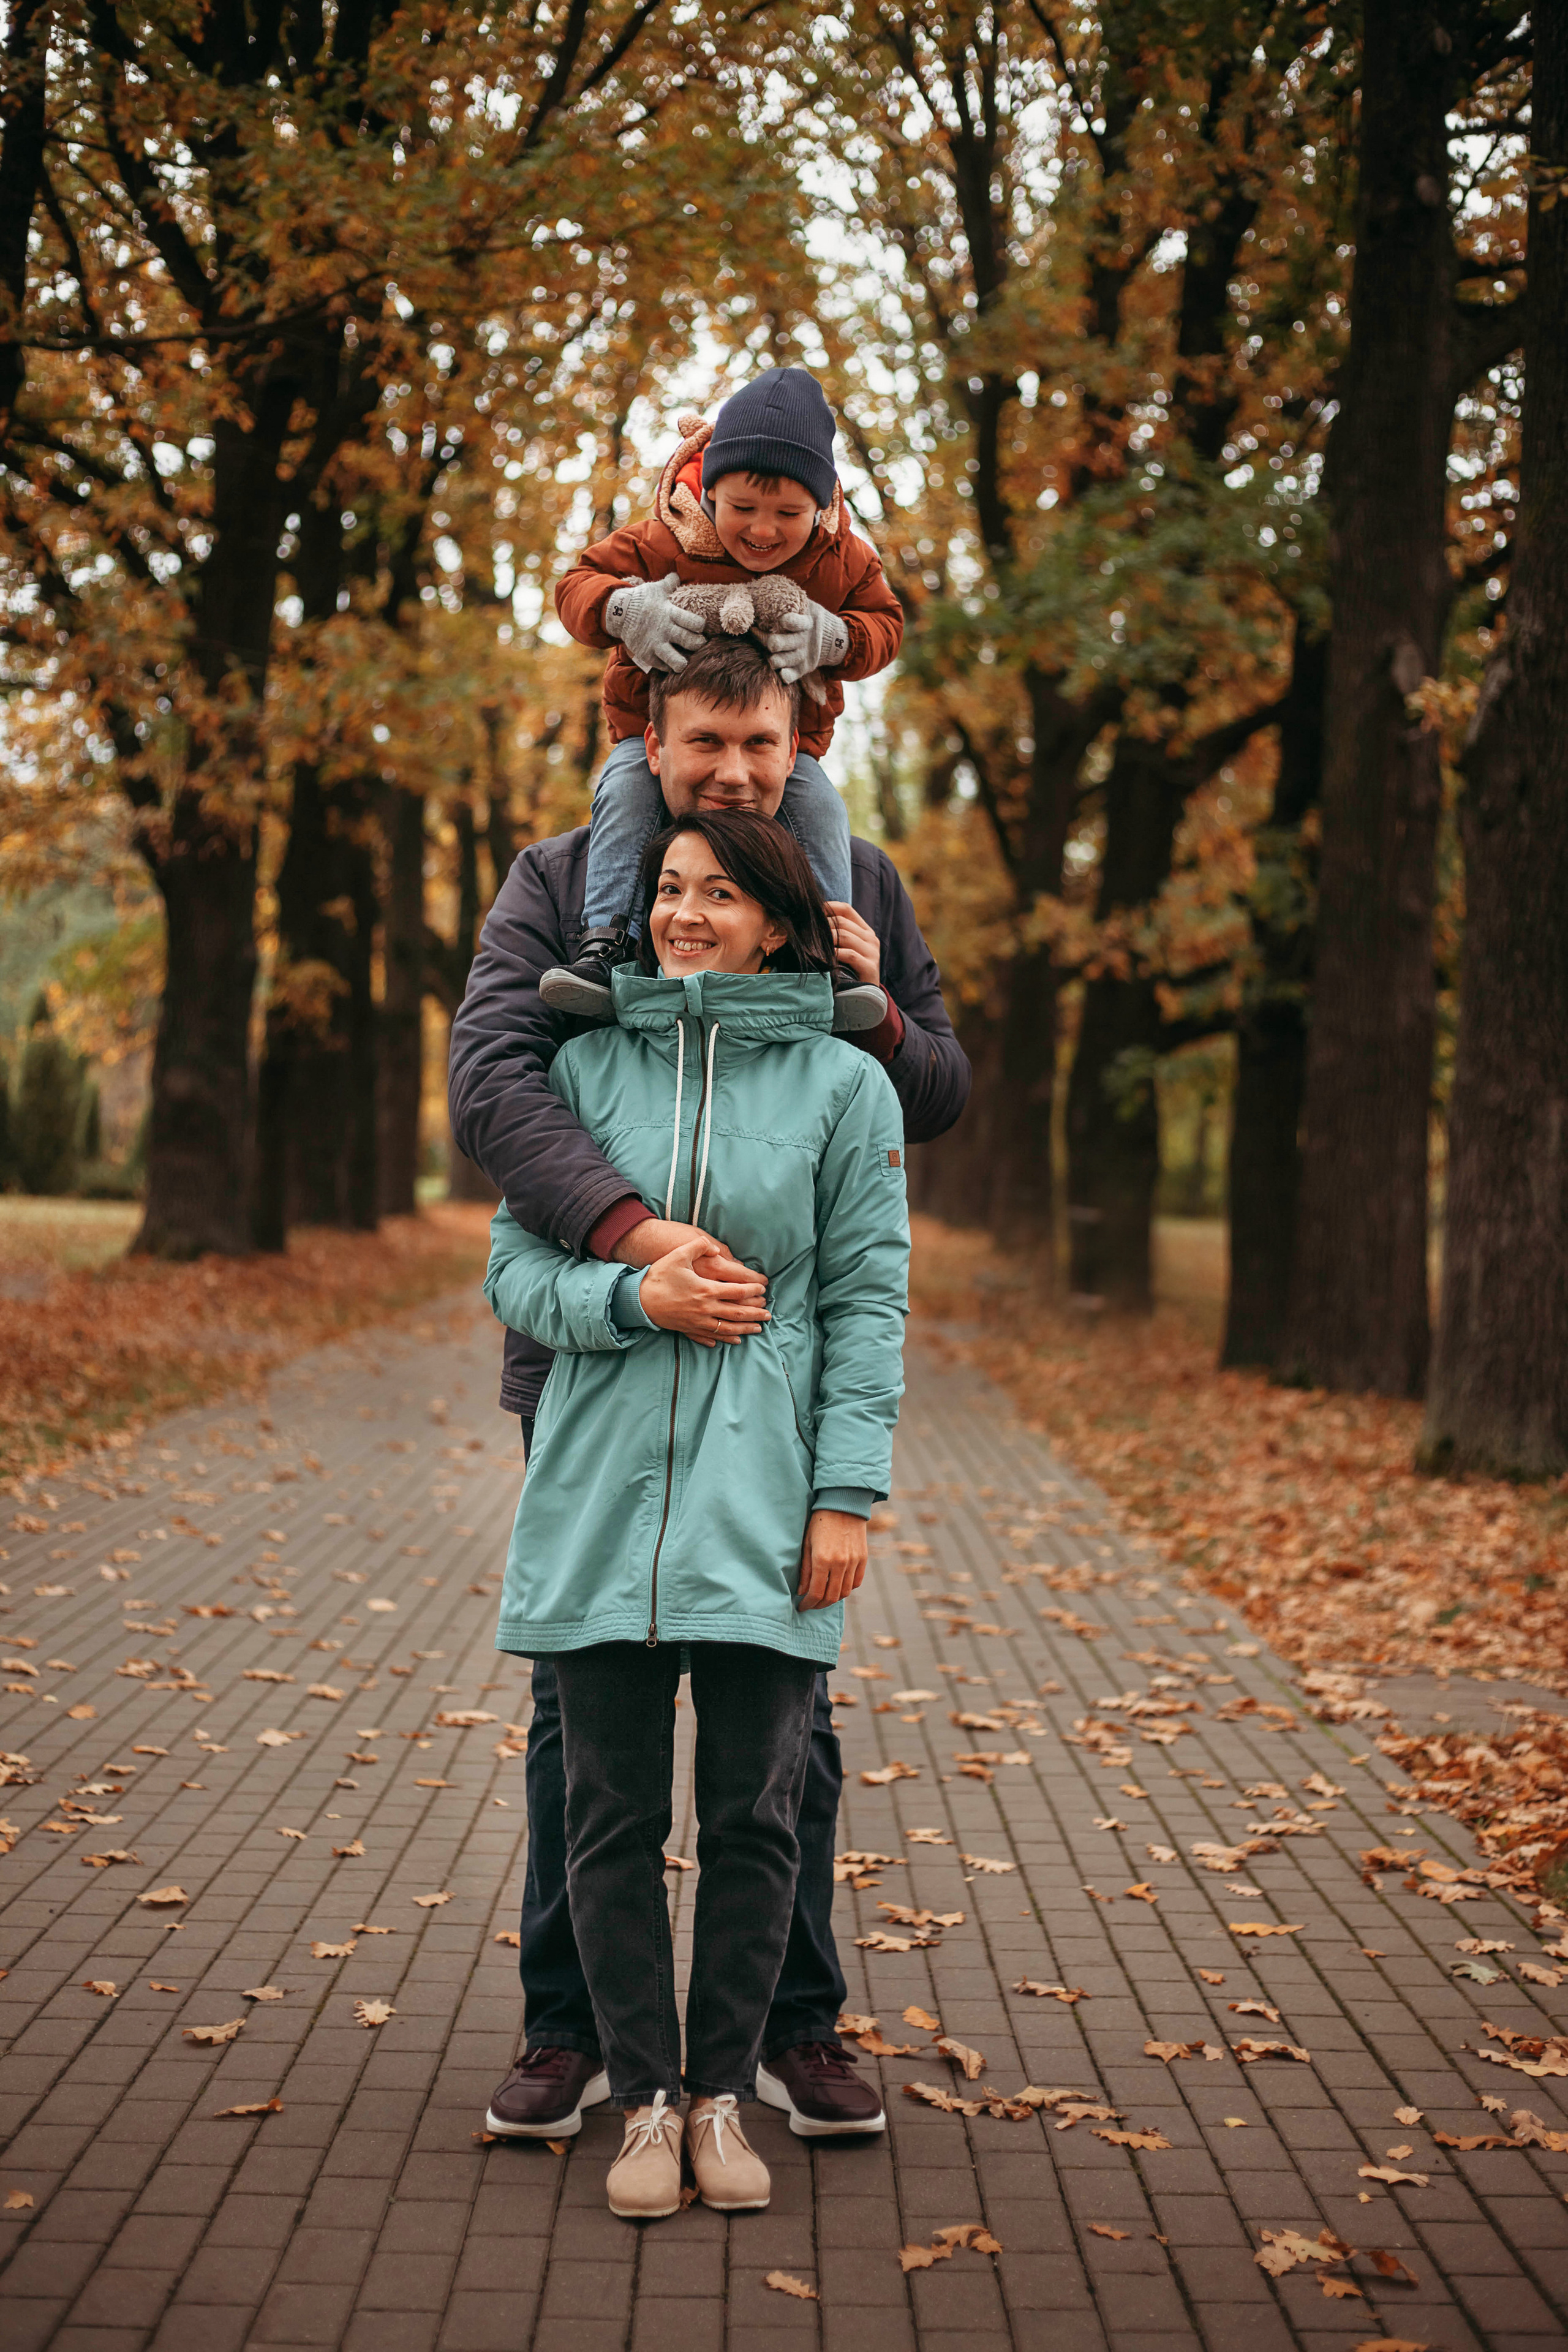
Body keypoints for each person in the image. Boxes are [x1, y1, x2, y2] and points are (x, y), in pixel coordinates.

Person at [447, 633, 970, 2144]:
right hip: (592, 1363)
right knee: (582, 1721)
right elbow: (493, 1084)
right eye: (703, 743)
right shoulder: (559, 881)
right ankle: (571, 2030)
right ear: (650, 736)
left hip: (774, 1396)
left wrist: (857, 997)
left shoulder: (857, 877)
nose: (733, 768)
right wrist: (629, 1247)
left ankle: (787, 2025)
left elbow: (931, 1088)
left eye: (761, 743)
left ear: (799, 736)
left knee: (775, 1729)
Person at [483, 810, 910, 2218]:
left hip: (768, 1506)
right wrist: (631, 1293)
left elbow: (866, 1302)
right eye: (666, 887)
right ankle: (644, 2102)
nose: (680, 912)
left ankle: (722, 2097)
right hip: (599, 1495)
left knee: (753, 1820)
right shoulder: (584, 1067)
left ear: (781, 920)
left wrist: (844, 1491)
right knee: (602, 1820)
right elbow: (515, 1274)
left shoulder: (849, 1089)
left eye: (716, 891)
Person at [541, 368, 903, 1025]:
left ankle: (829, 962)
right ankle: (603, 944)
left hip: (789, 755)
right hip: (649, 740)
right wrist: (623, 610)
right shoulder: (664, 537)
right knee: (624, 792)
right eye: (743, 509)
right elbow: (576, 584)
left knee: (819, 810)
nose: (764, 531)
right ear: (708, 493)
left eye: (788, 515)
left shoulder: (841, 557)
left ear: (819, 508)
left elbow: (887, 624)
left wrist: (838, 638)